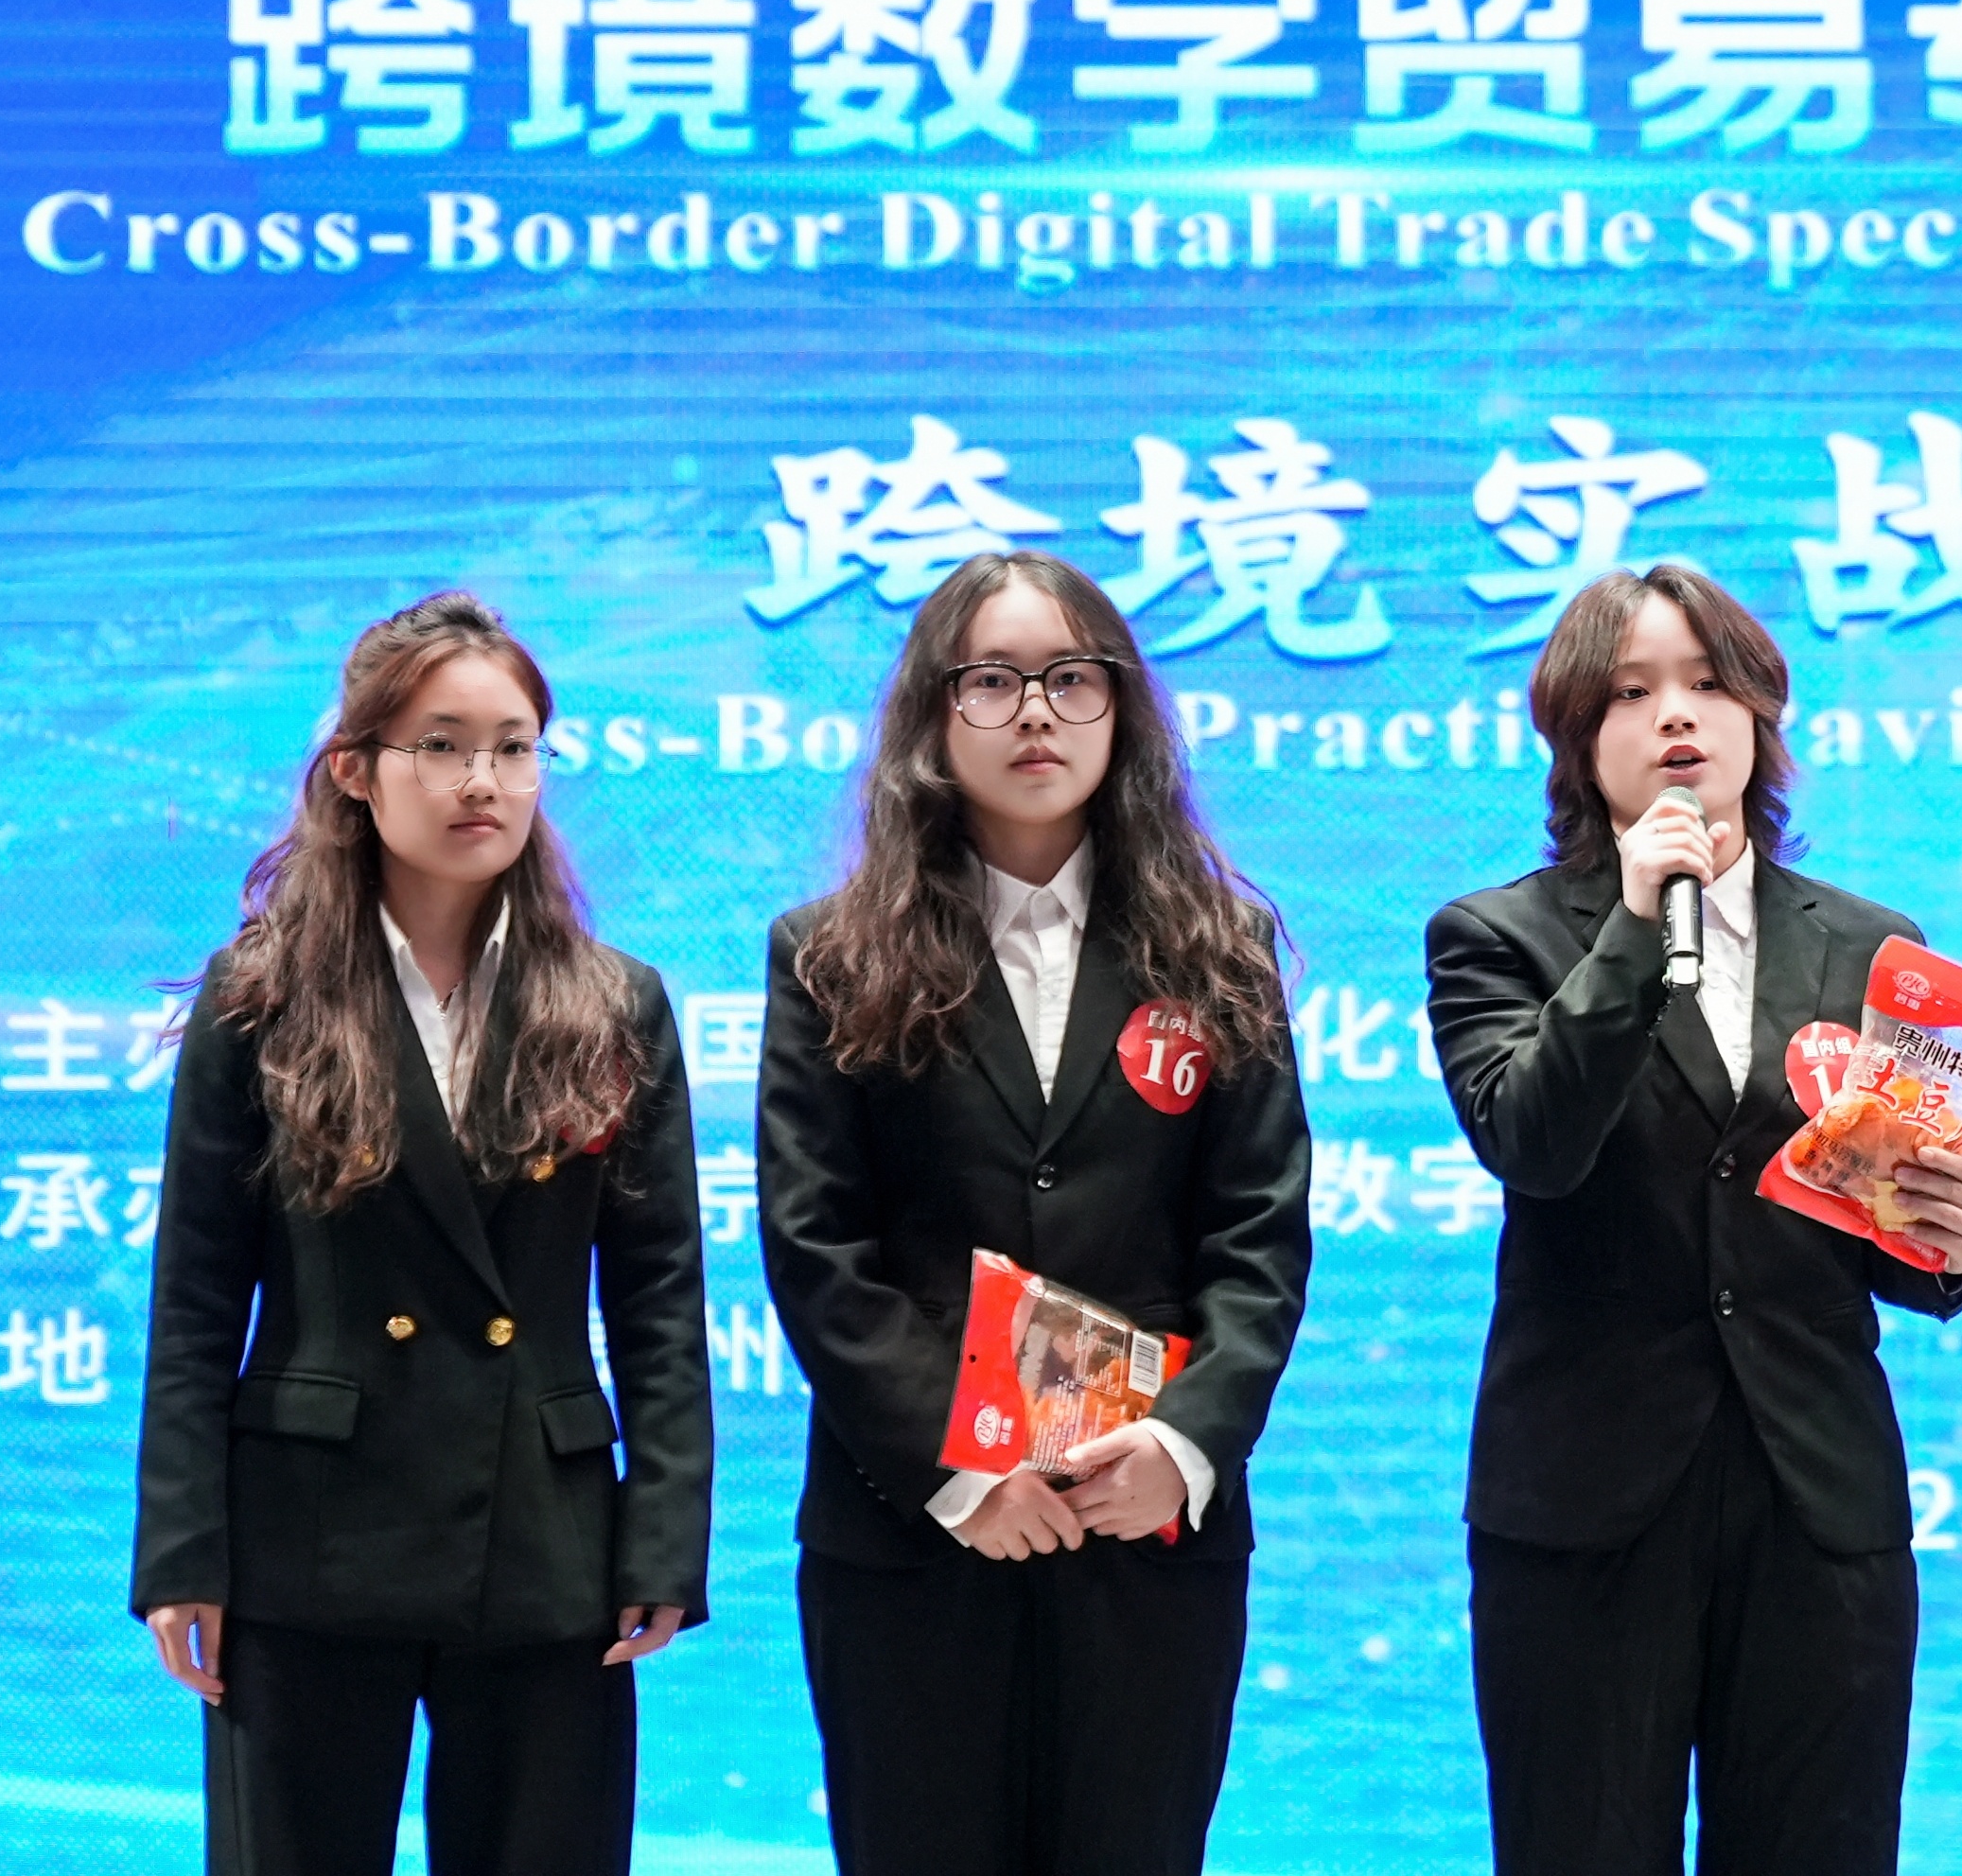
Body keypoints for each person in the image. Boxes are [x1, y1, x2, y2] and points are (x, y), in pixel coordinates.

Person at [1425, 563, 1962, 1876]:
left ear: (1760, 714)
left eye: (1706, 684)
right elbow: (1534, 1144)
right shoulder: (1498, 937)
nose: (1676, 716)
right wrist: (1637, 927)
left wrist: (1955, 1241)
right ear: (1579, 739)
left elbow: (1885, 1233)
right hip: (1587, 1501)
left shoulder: (1872, 945)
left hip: (1817, 1495)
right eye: (1631, 693)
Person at [131, 590, 709, 1876]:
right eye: (440, 746)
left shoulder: (613, 1004)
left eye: (512, 747)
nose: (481, 782)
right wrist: (182, 1551)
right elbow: (196, 1301)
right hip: (310, 1530)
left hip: (545, 1535)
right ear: (355, 769)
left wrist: (665, 1539)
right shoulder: (262, 997)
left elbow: (660, 1303)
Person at [758, 550, 1312, 1876]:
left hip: (1144, 1533)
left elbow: (1260, 1242)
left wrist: (1179, 1448)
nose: (1035, 714)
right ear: (933, 716)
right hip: (916, 1536)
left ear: (1121, 709)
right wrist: (960, 1471)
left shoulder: (1219, 950)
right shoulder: (831, 956)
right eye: (993, 681)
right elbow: (817, 1246)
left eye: (1071, 679)